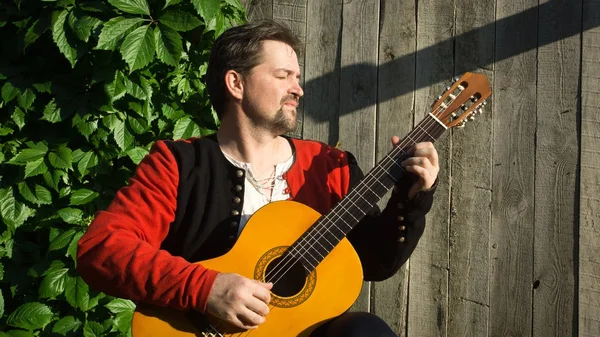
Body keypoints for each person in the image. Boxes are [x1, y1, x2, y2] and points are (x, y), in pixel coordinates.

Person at [76, 19, 439, 337]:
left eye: (297, 78)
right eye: (282, 76)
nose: (297, 88)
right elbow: (102, 249)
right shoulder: (177, 163)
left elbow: (375, 262)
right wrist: (205, 289)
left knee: (365, 331)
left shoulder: (331, 165)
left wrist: (412, 198)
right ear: (236, 83)